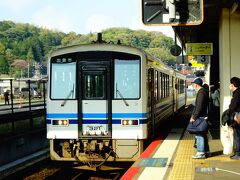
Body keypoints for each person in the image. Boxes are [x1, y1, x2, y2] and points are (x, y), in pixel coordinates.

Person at [190, 77, 210, 159]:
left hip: (201, 117)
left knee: (199, 134)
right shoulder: (203, 91)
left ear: (196, 84)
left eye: (193, 84)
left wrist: (194, 117)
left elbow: (199, 106)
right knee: (203, 134)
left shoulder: (201, 92)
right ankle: (206, 151)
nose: (193, 85)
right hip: (203, 116)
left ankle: (201, 152)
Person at [228, 77, 240, 159]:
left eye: (230, 84)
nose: (229, 86)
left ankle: (238, 154)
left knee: (237, 135)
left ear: (233, 85)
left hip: (237, 116)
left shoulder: (237, 94)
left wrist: (229, 114)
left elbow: (232, 107)